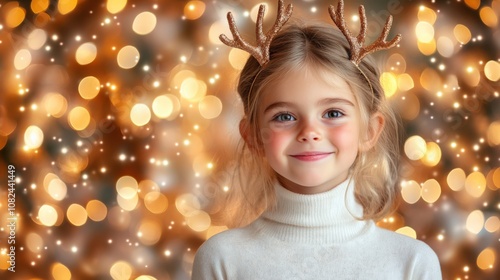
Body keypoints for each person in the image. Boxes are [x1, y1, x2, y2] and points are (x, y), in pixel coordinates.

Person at [192, 0, 442, 279]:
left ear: (369, 131)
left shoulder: (411, 263)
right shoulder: (223, 259)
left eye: (333, 113)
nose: (309, 132)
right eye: (284, 116)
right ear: (253, 136)